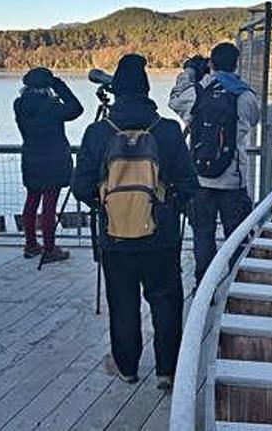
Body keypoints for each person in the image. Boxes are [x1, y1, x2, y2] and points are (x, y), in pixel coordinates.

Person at [73, 53, 198, 391]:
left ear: (116, 92)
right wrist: (165, 208)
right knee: (166, 300)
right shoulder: (168, 130)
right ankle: (167, 372)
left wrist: (109, 205)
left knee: (123, 302)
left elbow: (81, 186)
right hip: (161, 237)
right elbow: (190, 186)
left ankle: (126, 367)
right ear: (146, 91)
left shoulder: (98, 132)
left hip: (115, 239)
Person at [168, 43, 260, 286]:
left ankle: (203, 284)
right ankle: (237, 285)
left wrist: (188, 73)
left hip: (200, 178)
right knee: (236, 236)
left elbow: (174, 99)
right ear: (236, 64)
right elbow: (253, 118)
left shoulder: (198, 91)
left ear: (211, 63)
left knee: (202, 234)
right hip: (233, 179)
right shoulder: (245, 95)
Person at [14, 67, 84, 263]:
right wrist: (60, 86)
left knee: (31, 201)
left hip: (30, 157)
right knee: (49, 206)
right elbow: (77, 108)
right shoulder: (51, 106)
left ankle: (30, 244)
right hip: (53, 159)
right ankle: (50, 248)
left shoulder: (19, 104)